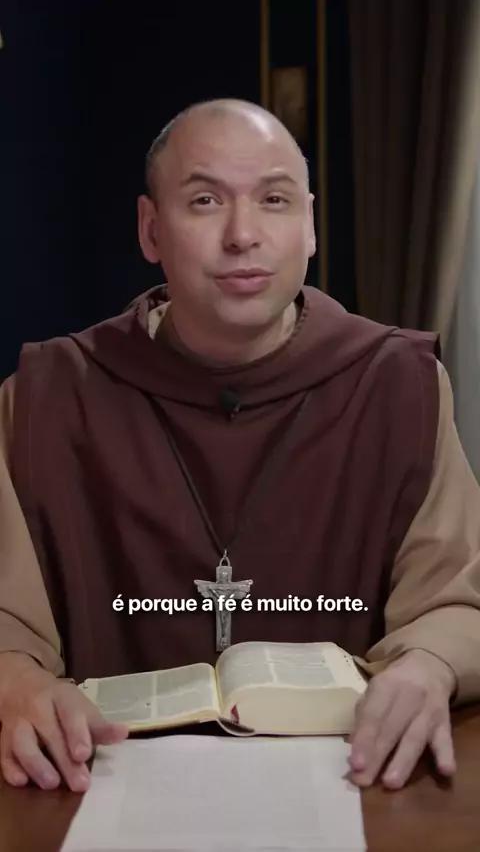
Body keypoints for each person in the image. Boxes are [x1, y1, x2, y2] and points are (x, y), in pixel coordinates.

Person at [0, 98, 479, 797]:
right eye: (204, 201)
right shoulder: (46, 398)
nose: (243, 235)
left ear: (309, 225)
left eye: (274, 200)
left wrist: (427, 666)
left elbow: (458, 599)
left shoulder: (400, 387)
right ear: (150, 229)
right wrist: (13, 677)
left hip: (353, 787)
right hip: (95, 786)